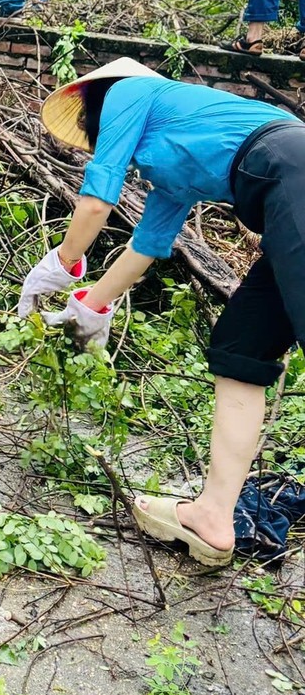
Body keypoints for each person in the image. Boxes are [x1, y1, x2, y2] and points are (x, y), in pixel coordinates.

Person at [20, 59, 305, 567]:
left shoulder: (132, 91)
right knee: (241, 345)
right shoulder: (172, 173)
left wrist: (62, 264)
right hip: (279, 189)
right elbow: (147, 246)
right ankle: (214, 517)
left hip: (291, 167)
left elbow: (94, 202)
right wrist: (91, 304)